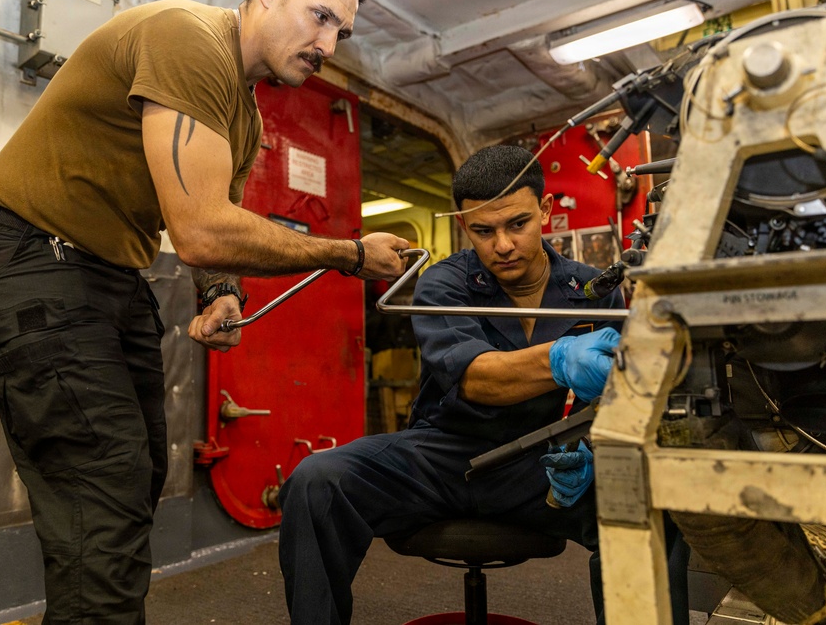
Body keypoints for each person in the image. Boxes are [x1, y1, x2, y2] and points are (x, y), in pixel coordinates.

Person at [0, 0, 407, 625]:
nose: (328, 44)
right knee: (104, 487)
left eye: (342, 30)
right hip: (27, 259)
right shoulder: (188, 37)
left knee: (131, 484)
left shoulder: (243, 115)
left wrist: (220, 293)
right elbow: (200, 230)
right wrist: (346, 253)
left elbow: (212, 227)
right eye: (320, 15)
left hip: (103, 276)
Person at [279, 145, 689, 624]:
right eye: (483, 230)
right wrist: (558, 359)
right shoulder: (443, 284)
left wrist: (592, 450)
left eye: (517, 224)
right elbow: (476, 379)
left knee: (650, 506)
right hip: (439, 457)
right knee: (315, 481)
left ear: (545, 209)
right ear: (464, 227)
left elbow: (615, 395)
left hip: (539, 463)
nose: (503, 245)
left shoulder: (592, 289)